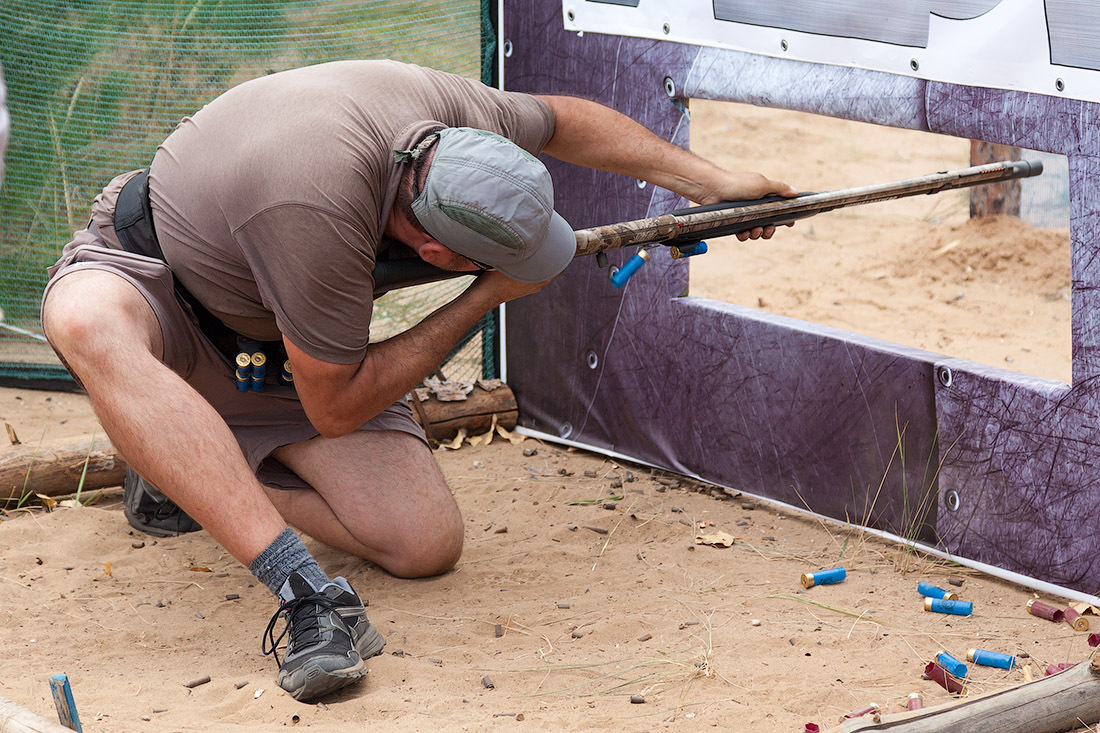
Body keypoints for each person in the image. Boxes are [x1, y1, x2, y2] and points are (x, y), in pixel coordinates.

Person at [40, 59, 794, 702]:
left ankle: (173, 458)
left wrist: (710, 181)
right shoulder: (318, 209)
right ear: (434, 253)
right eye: (468, 267)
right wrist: (485, 298)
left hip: (276, 341)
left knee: (422, 541)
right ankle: (305, 590)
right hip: (160, 287)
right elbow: (334, 406)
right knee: (83, 321)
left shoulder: (456, 124)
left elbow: (564, 119)